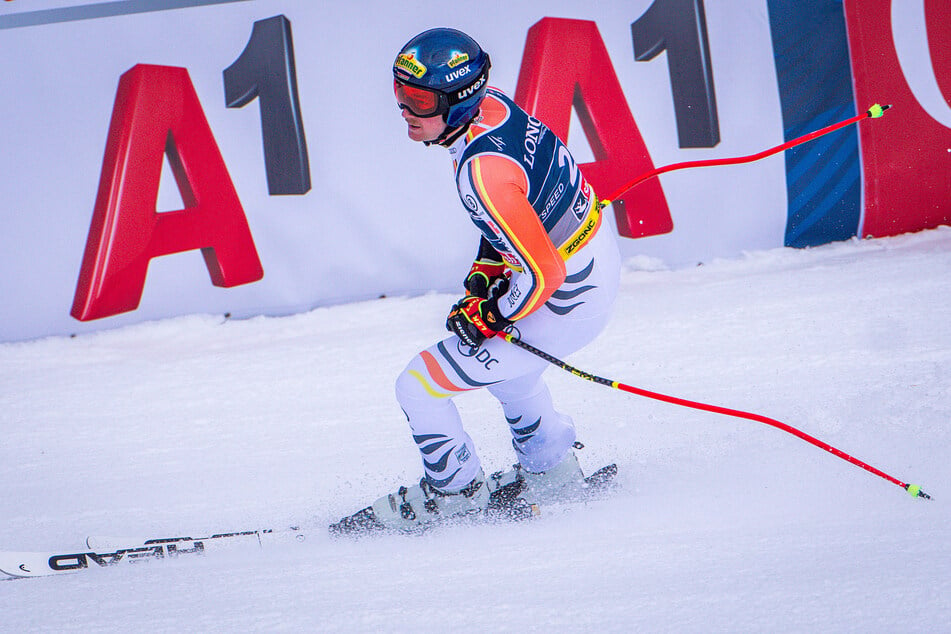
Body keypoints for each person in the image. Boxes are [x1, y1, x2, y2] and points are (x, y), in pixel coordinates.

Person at [346, 27, 621, 532]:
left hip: (566, 291)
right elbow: (520, 213)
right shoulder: (489, 108)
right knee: (510, 372)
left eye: (420, 99)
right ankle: (552, 467)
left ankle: (456, 496)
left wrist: (490, 314)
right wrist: (489, 271)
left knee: (418, 385)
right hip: (590, 262)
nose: (405, 109)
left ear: (456, 101)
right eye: (400, 91)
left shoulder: (481, 171)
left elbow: (543, 274)